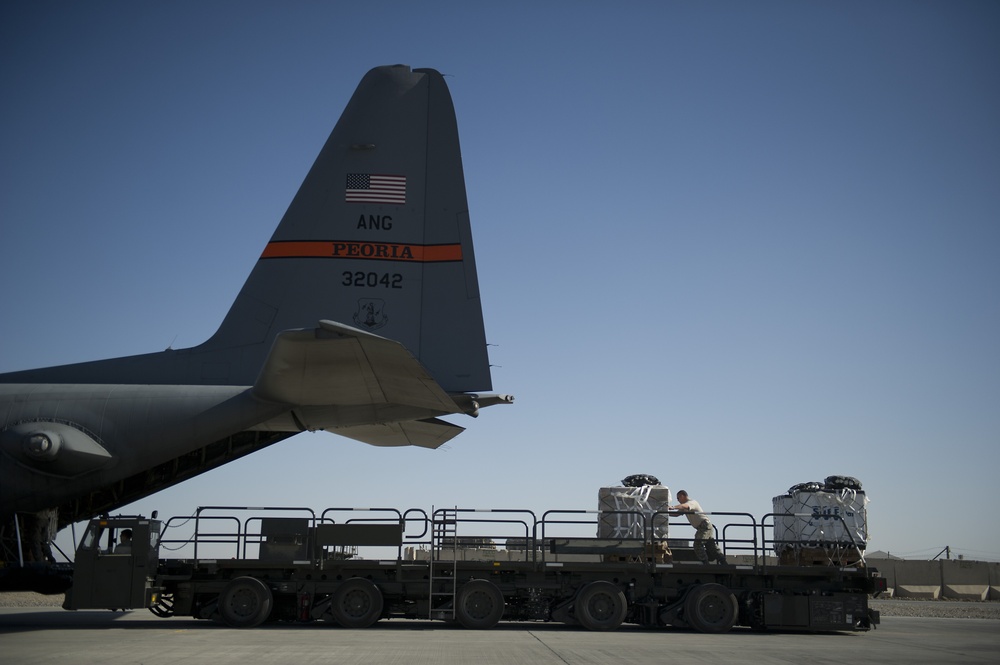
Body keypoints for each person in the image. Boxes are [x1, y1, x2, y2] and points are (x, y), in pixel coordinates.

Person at [670, 490, 727, 564]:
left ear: (682, 496)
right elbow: (676, 514)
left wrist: (673, 507)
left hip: (704, 526)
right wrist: (665, 513)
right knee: (711, 547)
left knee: (698, 544)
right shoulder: (684, 506)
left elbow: (685, 506)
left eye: (678, 498)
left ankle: (705, 563)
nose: (678, 500)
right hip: (703, 527)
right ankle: (723, 562)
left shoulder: (692, 502)